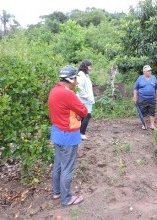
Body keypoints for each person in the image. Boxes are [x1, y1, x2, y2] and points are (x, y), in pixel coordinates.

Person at [48, 65, 88, 206]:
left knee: (58, 164)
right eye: (76, 77)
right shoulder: (68, 94)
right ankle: (66, 199)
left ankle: (57, 192)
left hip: (57, 133)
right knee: (68, 168)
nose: (77, 80)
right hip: (68, 136)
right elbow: (83, 111)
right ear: (71, 79)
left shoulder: (54, 90)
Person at [133, 65, 157, 130]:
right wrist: (135, 97)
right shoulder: (140, 78)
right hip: (142, 99)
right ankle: (144, 125)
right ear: (144, 72)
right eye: (148, 71)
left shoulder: (154, 78)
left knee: (152, 112)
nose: (150, 72)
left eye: (150, 70)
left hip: (152, 99)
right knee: (143, 112)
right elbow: (135, 88)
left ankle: (152, 125)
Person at [76, 60, 95, 140]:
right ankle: (82, 133)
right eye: (89, 66)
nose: (90, 68)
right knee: (87, 115)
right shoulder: (81, 75)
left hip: (86, 99)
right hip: (84, 100)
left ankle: (79, 133)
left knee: (83, 116)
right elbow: (79, 87)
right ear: (85, 66)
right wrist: (86, 96)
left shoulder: (85, 75)